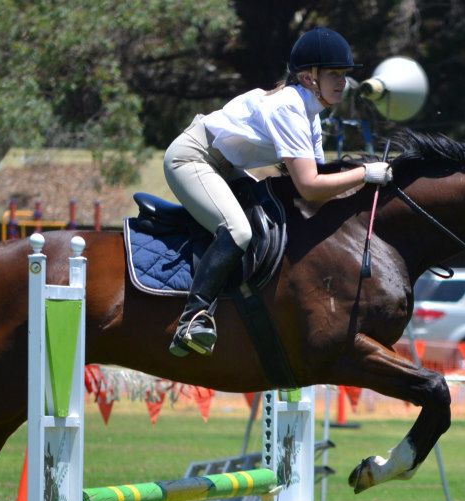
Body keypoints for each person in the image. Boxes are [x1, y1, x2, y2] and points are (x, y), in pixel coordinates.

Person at [163, 27, 393, 357]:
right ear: (309, 77)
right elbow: (310, 186)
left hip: (225, 165)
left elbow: (321, 177)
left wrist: (365, 176)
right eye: (334, 74)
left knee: (269, 219)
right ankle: (193, 319)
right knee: (238, 230)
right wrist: (366, 174)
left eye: (344, 74)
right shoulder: (289, 108)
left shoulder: (310, 114)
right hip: (192, 158)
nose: (342, 82)